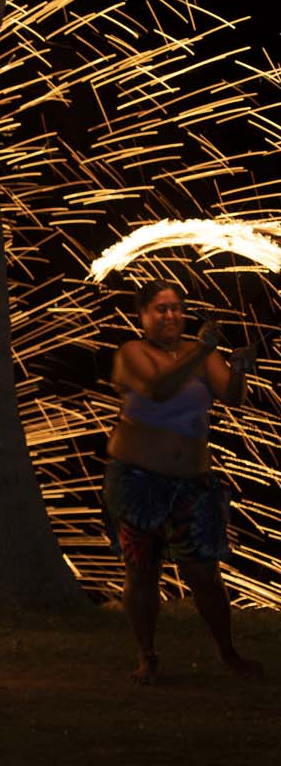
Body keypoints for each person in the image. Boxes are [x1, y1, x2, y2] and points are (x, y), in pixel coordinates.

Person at [105, 279, 264, 684]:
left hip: (193, 481)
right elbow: (158, 389)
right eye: (161, 308)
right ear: (142, 316)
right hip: (138, 481)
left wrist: (239, 370)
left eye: (177, 307)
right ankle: (147, 656)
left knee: (204, 573)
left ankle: (228, 653)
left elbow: (231, 396)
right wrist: (205, 351)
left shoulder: (196, 353)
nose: (171, 315)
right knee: (142, 571)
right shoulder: (131, 353)